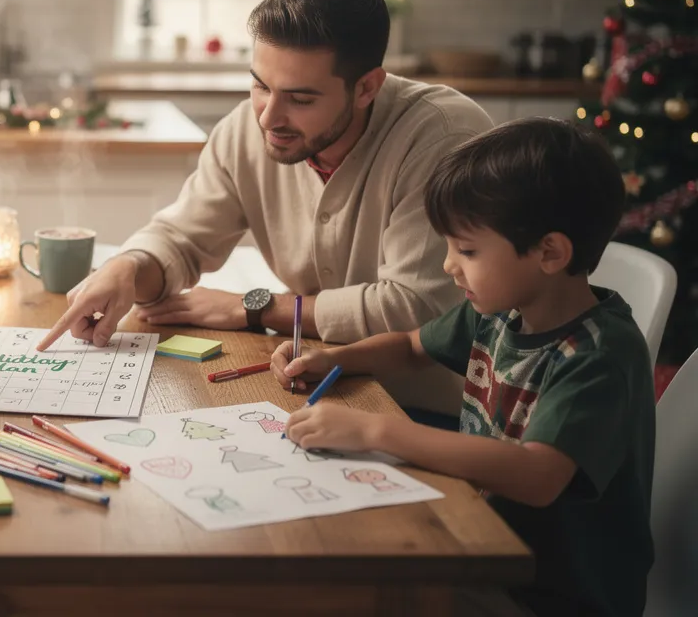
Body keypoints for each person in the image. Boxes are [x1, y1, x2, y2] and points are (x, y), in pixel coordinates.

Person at [39, 0, 493, 417]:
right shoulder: (244, 130)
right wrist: (128, 268)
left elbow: (414, 309)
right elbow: (183, 239)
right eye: (259, 85)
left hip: (428, 412)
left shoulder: (444, 137)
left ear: (366, 88)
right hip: (309, 393)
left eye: (300, 99)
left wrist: (258, 309)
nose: (267, 117)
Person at [274, 118, 654, 616]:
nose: (450, 266)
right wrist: (336, 359)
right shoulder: (502, 310)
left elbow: (538, 474)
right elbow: (410, 346)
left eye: (467, 250)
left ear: (549, 252)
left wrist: (375, 431)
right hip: (481, 544)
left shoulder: (598, 356)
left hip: (551, 595)